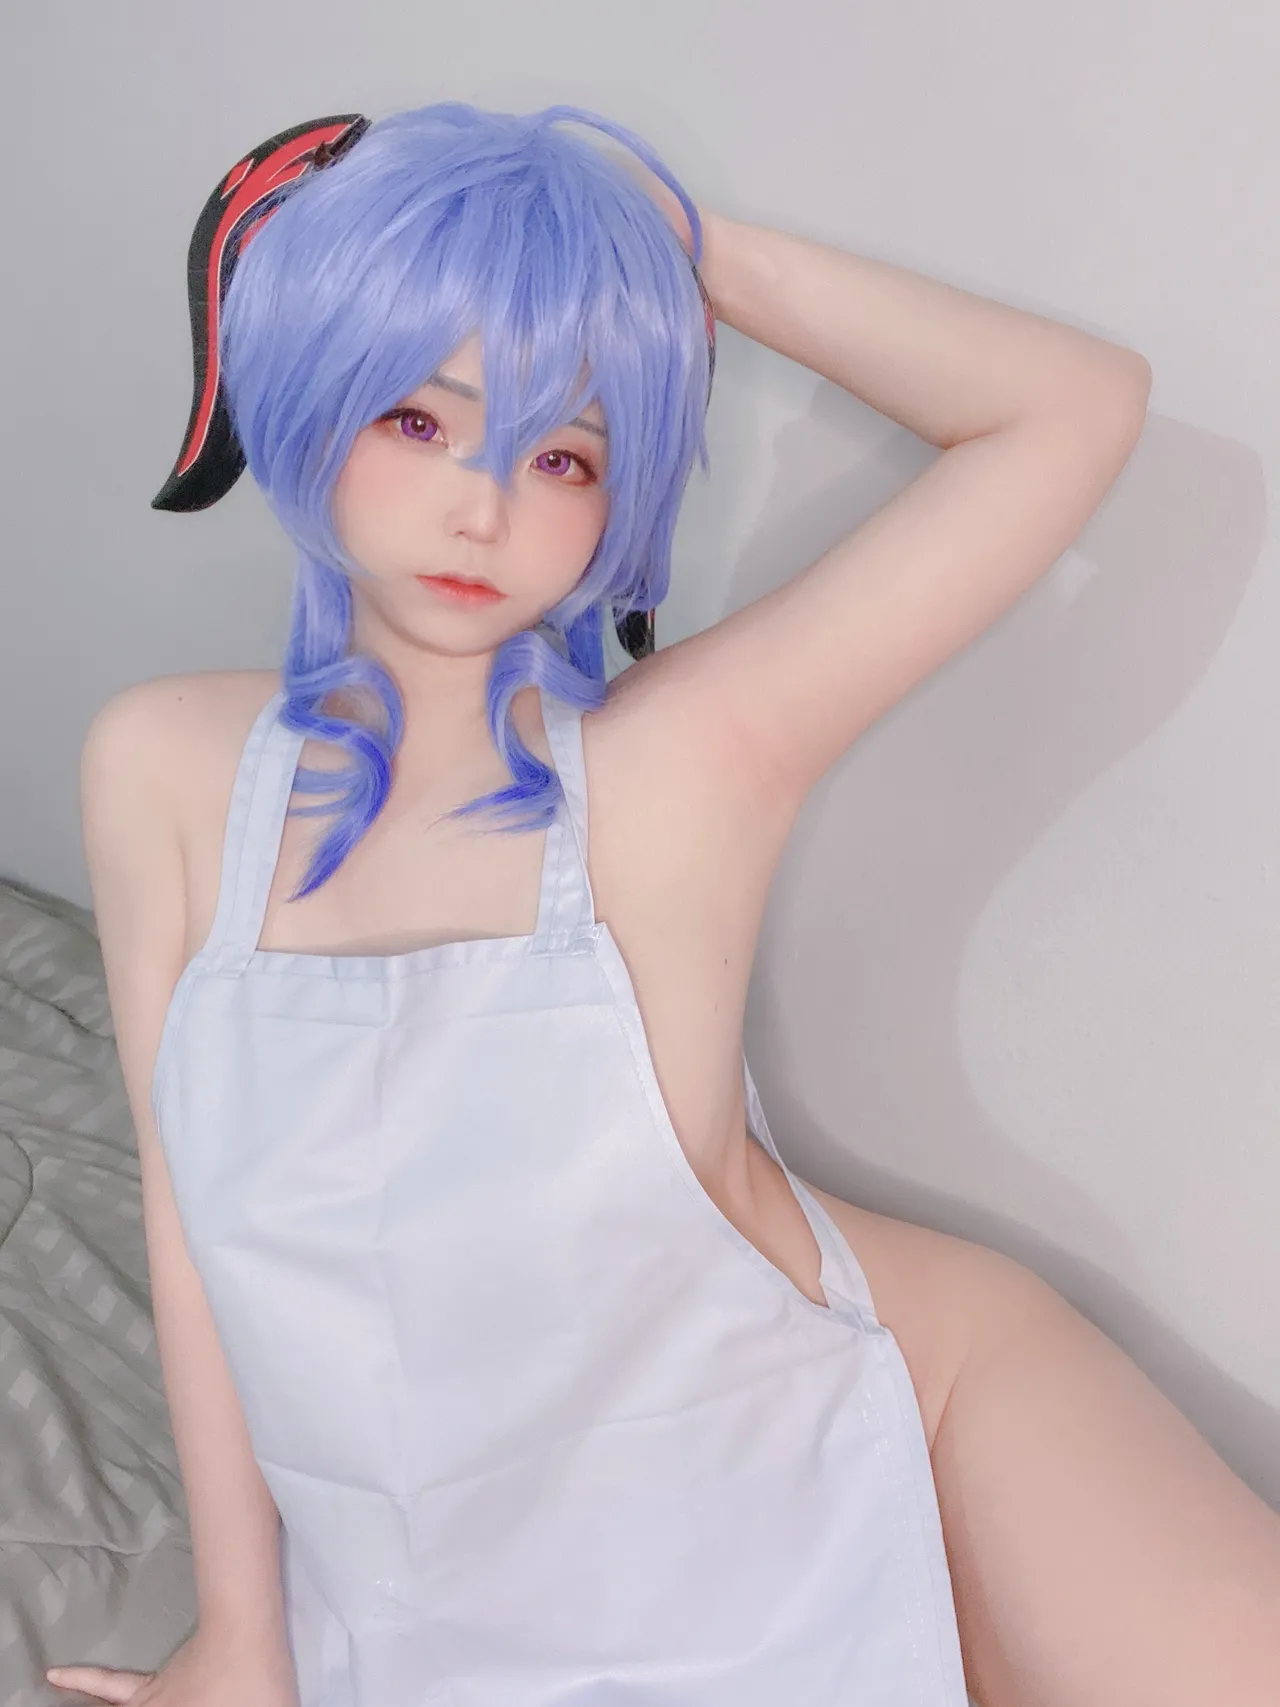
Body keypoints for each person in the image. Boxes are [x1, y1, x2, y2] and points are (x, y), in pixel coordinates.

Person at [55, 101, 1279, 1707]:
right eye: (419, 420)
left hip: (908, 1393)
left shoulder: (686, 754)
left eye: (561, 454)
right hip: (513, 1582)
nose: (485, 508)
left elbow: (1073, 407)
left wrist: (683, 250)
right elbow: (191, 1213)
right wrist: (242, 1633)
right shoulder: (163, 764)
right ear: (307, 389)